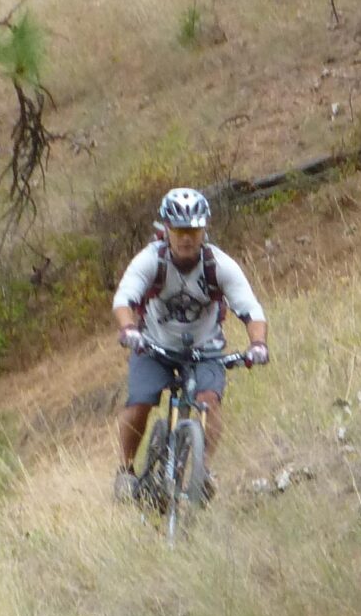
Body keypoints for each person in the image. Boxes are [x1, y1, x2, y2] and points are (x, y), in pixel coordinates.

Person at [112, 187, 269, 498]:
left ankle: (202, 472)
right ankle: (125, 471)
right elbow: (124, 298)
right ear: (167, 229)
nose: (187, 238)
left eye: (194, 230)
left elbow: (251, 309)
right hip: (154, 346)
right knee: (141, 401)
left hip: (205, 350)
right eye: (181, 230)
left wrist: (258, 345)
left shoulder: (218, 265)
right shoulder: (150, 261)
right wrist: (129, 328)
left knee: (210, 402)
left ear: (204, 230)